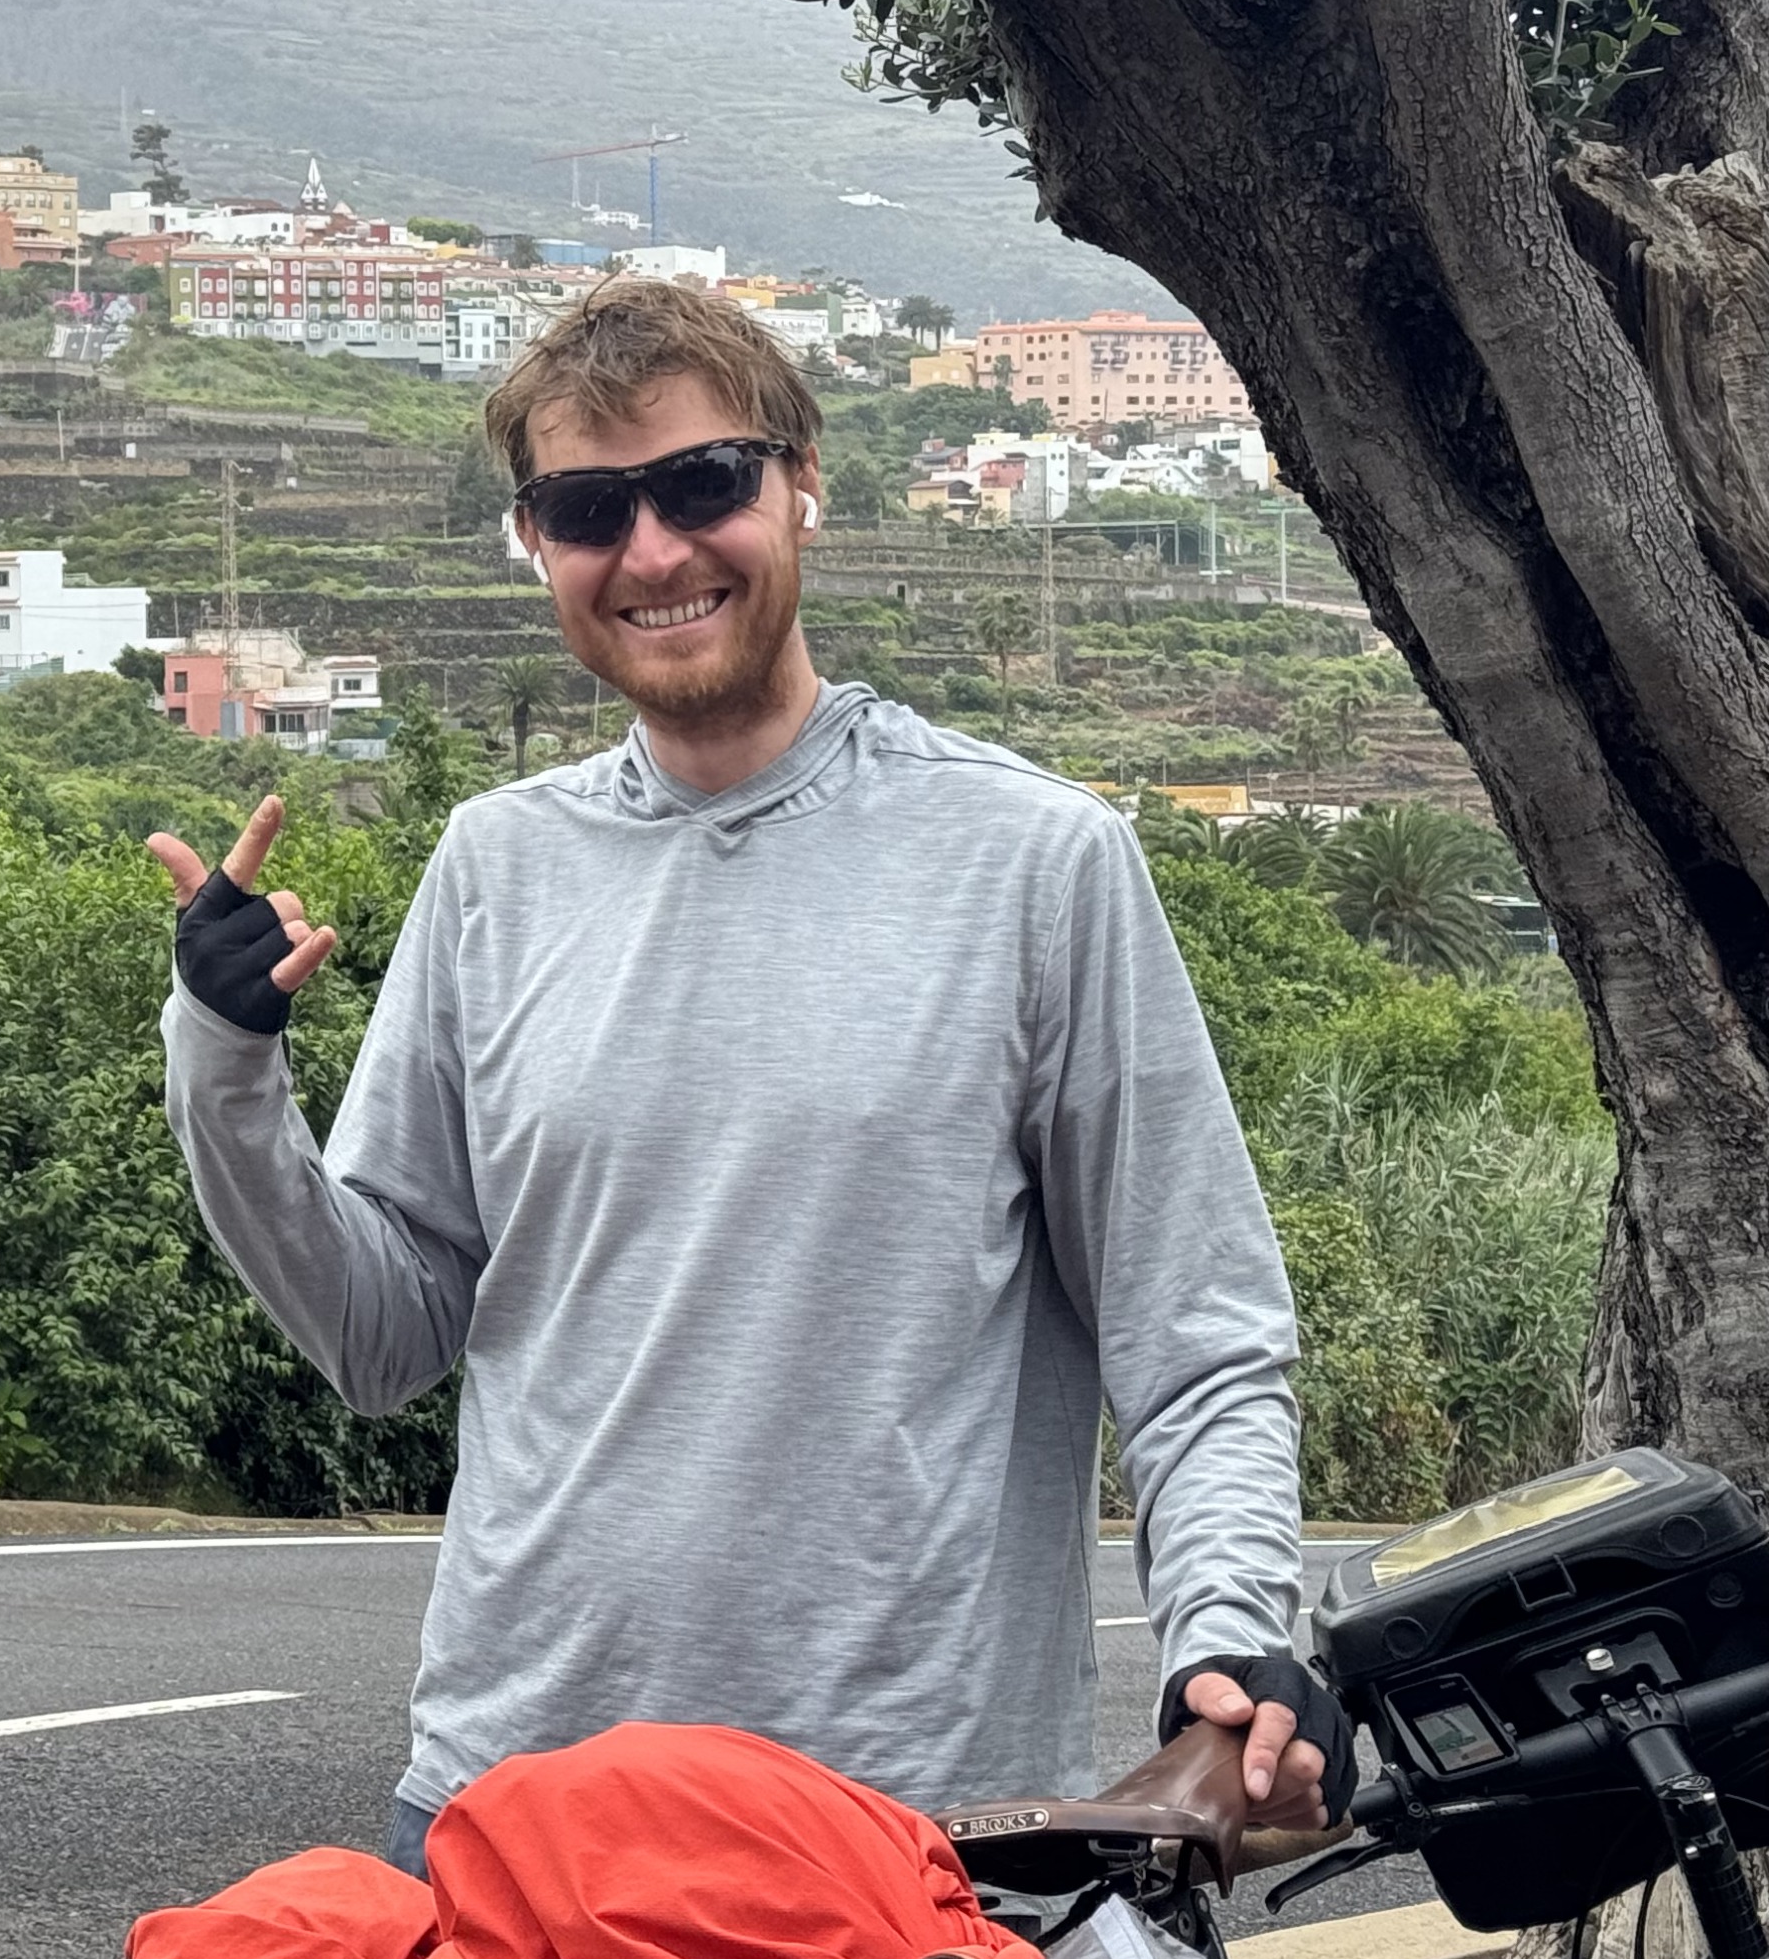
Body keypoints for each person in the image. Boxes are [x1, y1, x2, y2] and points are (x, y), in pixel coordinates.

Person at [151, 277, 1340, 1875]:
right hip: (515, 1809)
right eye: (589, 510)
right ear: (539, 543)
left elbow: (1195, 1337)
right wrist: (228, 1058)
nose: (653, 553)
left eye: (703, 483)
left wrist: (1231, 1638)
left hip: (919, 1825)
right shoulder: (496, 869)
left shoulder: (1032, 862)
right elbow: (383, 1336)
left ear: (801, 486)